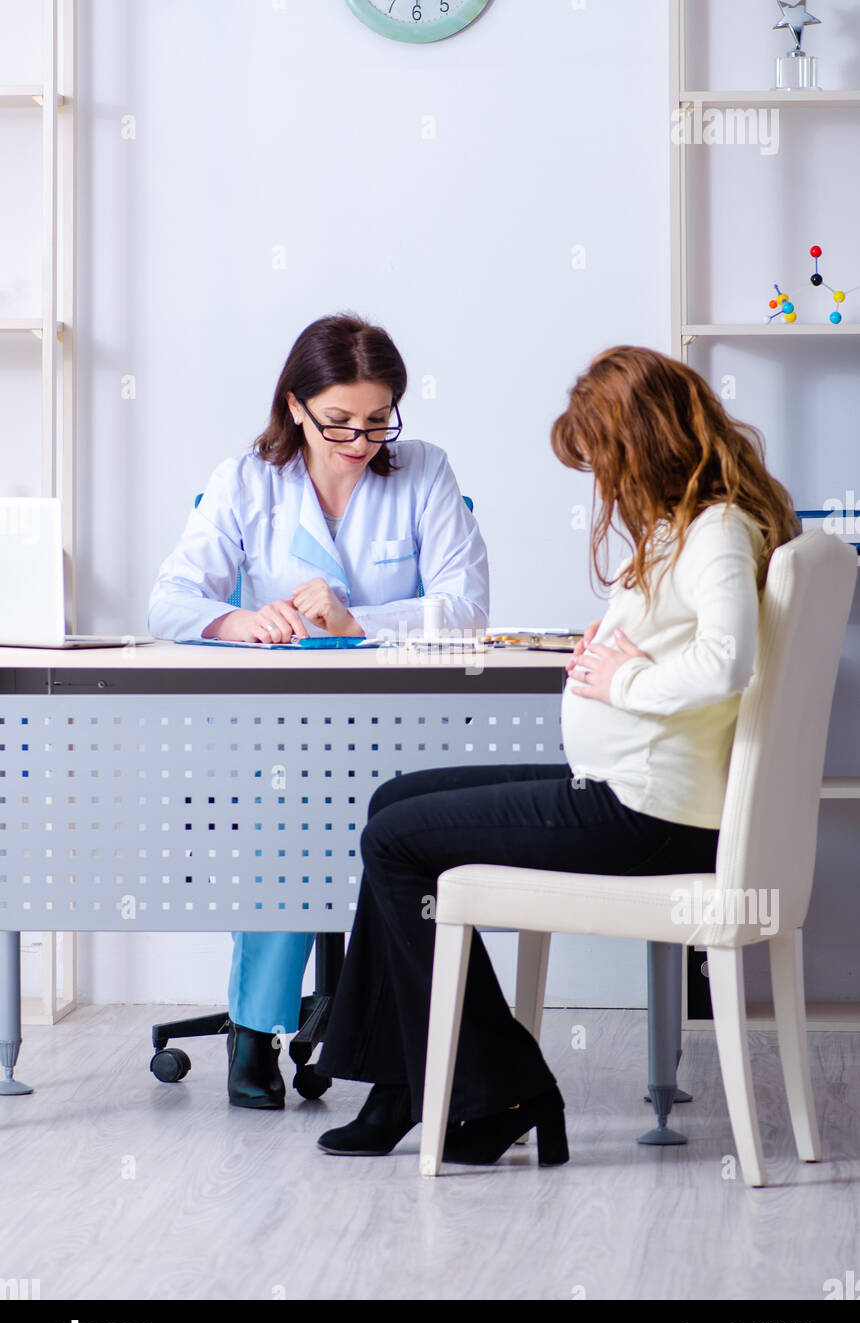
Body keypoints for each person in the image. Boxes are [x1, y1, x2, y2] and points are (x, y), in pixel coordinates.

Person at [314, 344, 800, 1167]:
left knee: (394, 842)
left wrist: (625, 679)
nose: (603, 484)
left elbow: (728, 662)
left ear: (643, 443)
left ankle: (493, 1089)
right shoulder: (697, 522)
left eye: (603, 460)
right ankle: (417, 1080)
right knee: (394, 802)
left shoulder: (712, 529)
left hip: (646, 815)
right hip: (633, 794)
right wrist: (611, 651)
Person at [147, 313, 489, 1109]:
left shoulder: (425, 474)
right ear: (296, 405)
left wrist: (358, 619)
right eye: (338, 421)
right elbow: (169, 600)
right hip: (278, 730)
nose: (359, 440)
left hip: (403, 725)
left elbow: (467, 608)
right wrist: (239, 620)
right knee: (283, 820)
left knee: (405, 836)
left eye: (377, 421)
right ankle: (257, 1032)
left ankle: (402, 1039)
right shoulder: (247, 481)